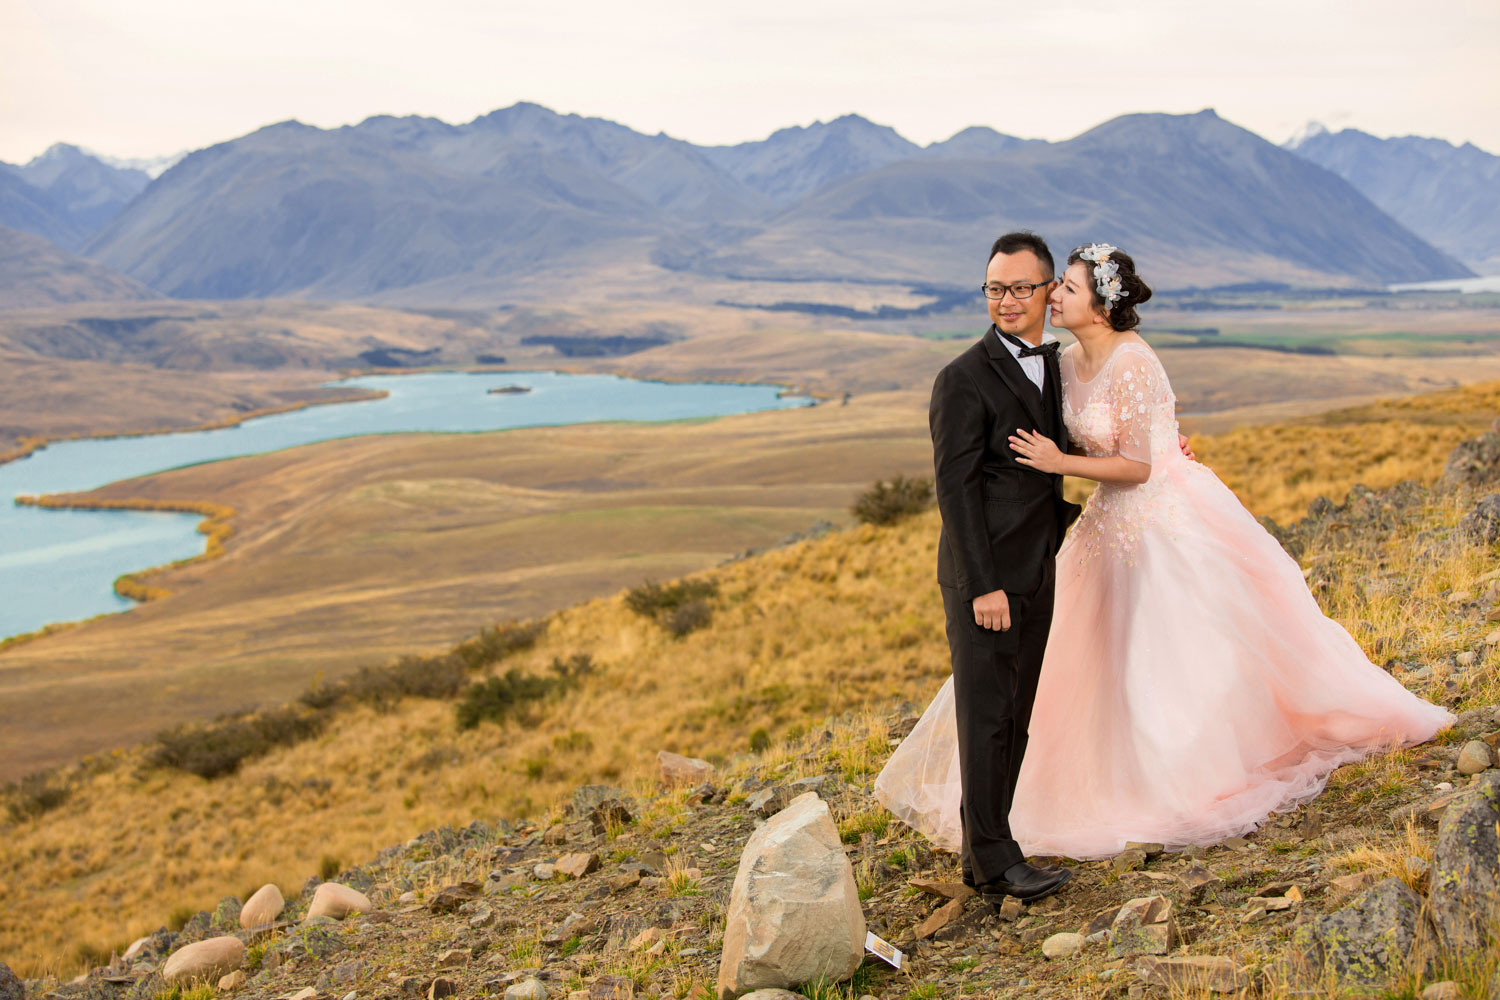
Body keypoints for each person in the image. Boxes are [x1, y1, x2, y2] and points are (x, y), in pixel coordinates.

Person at [876, 243, 1455, 865]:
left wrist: (1089, 457)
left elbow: (1137, 462)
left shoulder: (1132, 361)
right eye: (1013, 289)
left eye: (1061, 288)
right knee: (1095, 659)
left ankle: (1188, 774)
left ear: (1096, 306)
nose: (1049, 298)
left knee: (1171, 650)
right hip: (1099, 528)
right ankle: (1025, 818)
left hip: (1158, 521)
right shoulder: (1061, 362)